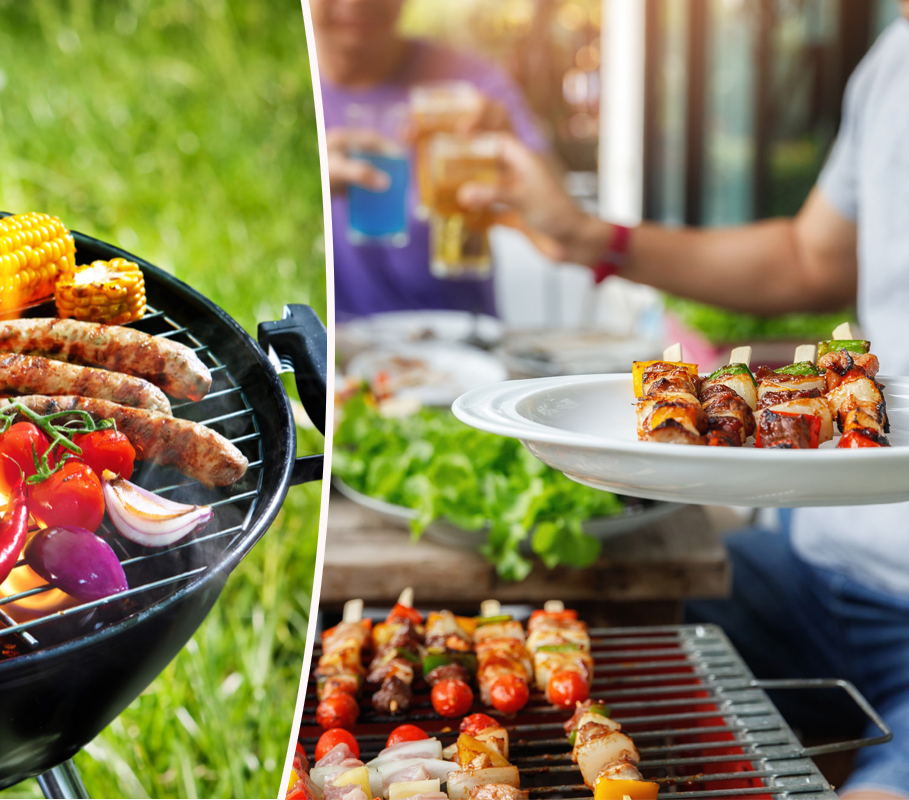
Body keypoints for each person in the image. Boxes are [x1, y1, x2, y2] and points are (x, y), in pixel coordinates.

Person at [459, 10, 909, 798]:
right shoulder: (894, 62)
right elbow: (810, 258)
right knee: (570, 652)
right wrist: (589, 237)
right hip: (813, 563)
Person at [310, 0, 548, 320]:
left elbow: (561, 218)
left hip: (461, 344)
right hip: (339, 349)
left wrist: (511, 160)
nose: (355, 3)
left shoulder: (469, 85)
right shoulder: (291, 97)